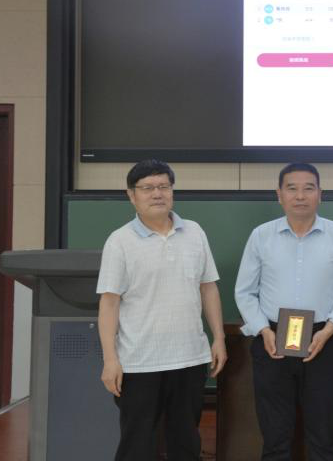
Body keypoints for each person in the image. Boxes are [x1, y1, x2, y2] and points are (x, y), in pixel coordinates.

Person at [96, 159, 227, 461]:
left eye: (163, 186)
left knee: (186, 442)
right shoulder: (120, 241)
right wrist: (110, 359)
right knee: (137, 445)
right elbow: (109, 303)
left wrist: (218, 338)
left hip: (190, 358)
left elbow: (208, 287)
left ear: (172, 191)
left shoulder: (194, 232)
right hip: (139, 362)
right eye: (147, 188)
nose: (157, 194)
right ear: (132, 195)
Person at [234, 162, 333, 461]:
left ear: (320, 194)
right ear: (279, 195)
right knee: (275, 434)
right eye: (292, 188)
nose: (300, 196)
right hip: (272, 338)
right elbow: (245, 291)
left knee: (323, 433)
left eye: (308, 188)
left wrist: (329, 330)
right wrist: (263, 330)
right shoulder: (261, 235)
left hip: (323, 339)